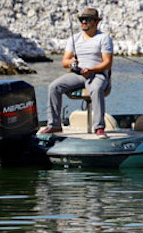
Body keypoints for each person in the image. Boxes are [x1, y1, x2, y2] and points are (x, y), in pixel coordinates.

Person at [38, 8, 114, 138]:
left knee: (95, 89)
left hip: (97, 74)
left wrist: (92, 70)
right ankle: (54, 125)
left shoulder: (104, 38)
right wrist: (71, 63)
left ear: (96, 22)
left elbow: (107, 63)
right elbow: (64, 62)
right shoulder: (74, 39)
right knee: (54, 87)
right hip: (78, 74)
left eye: (87, 19)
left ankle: (99, 127)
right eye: (81, 19)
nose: (83, 22)